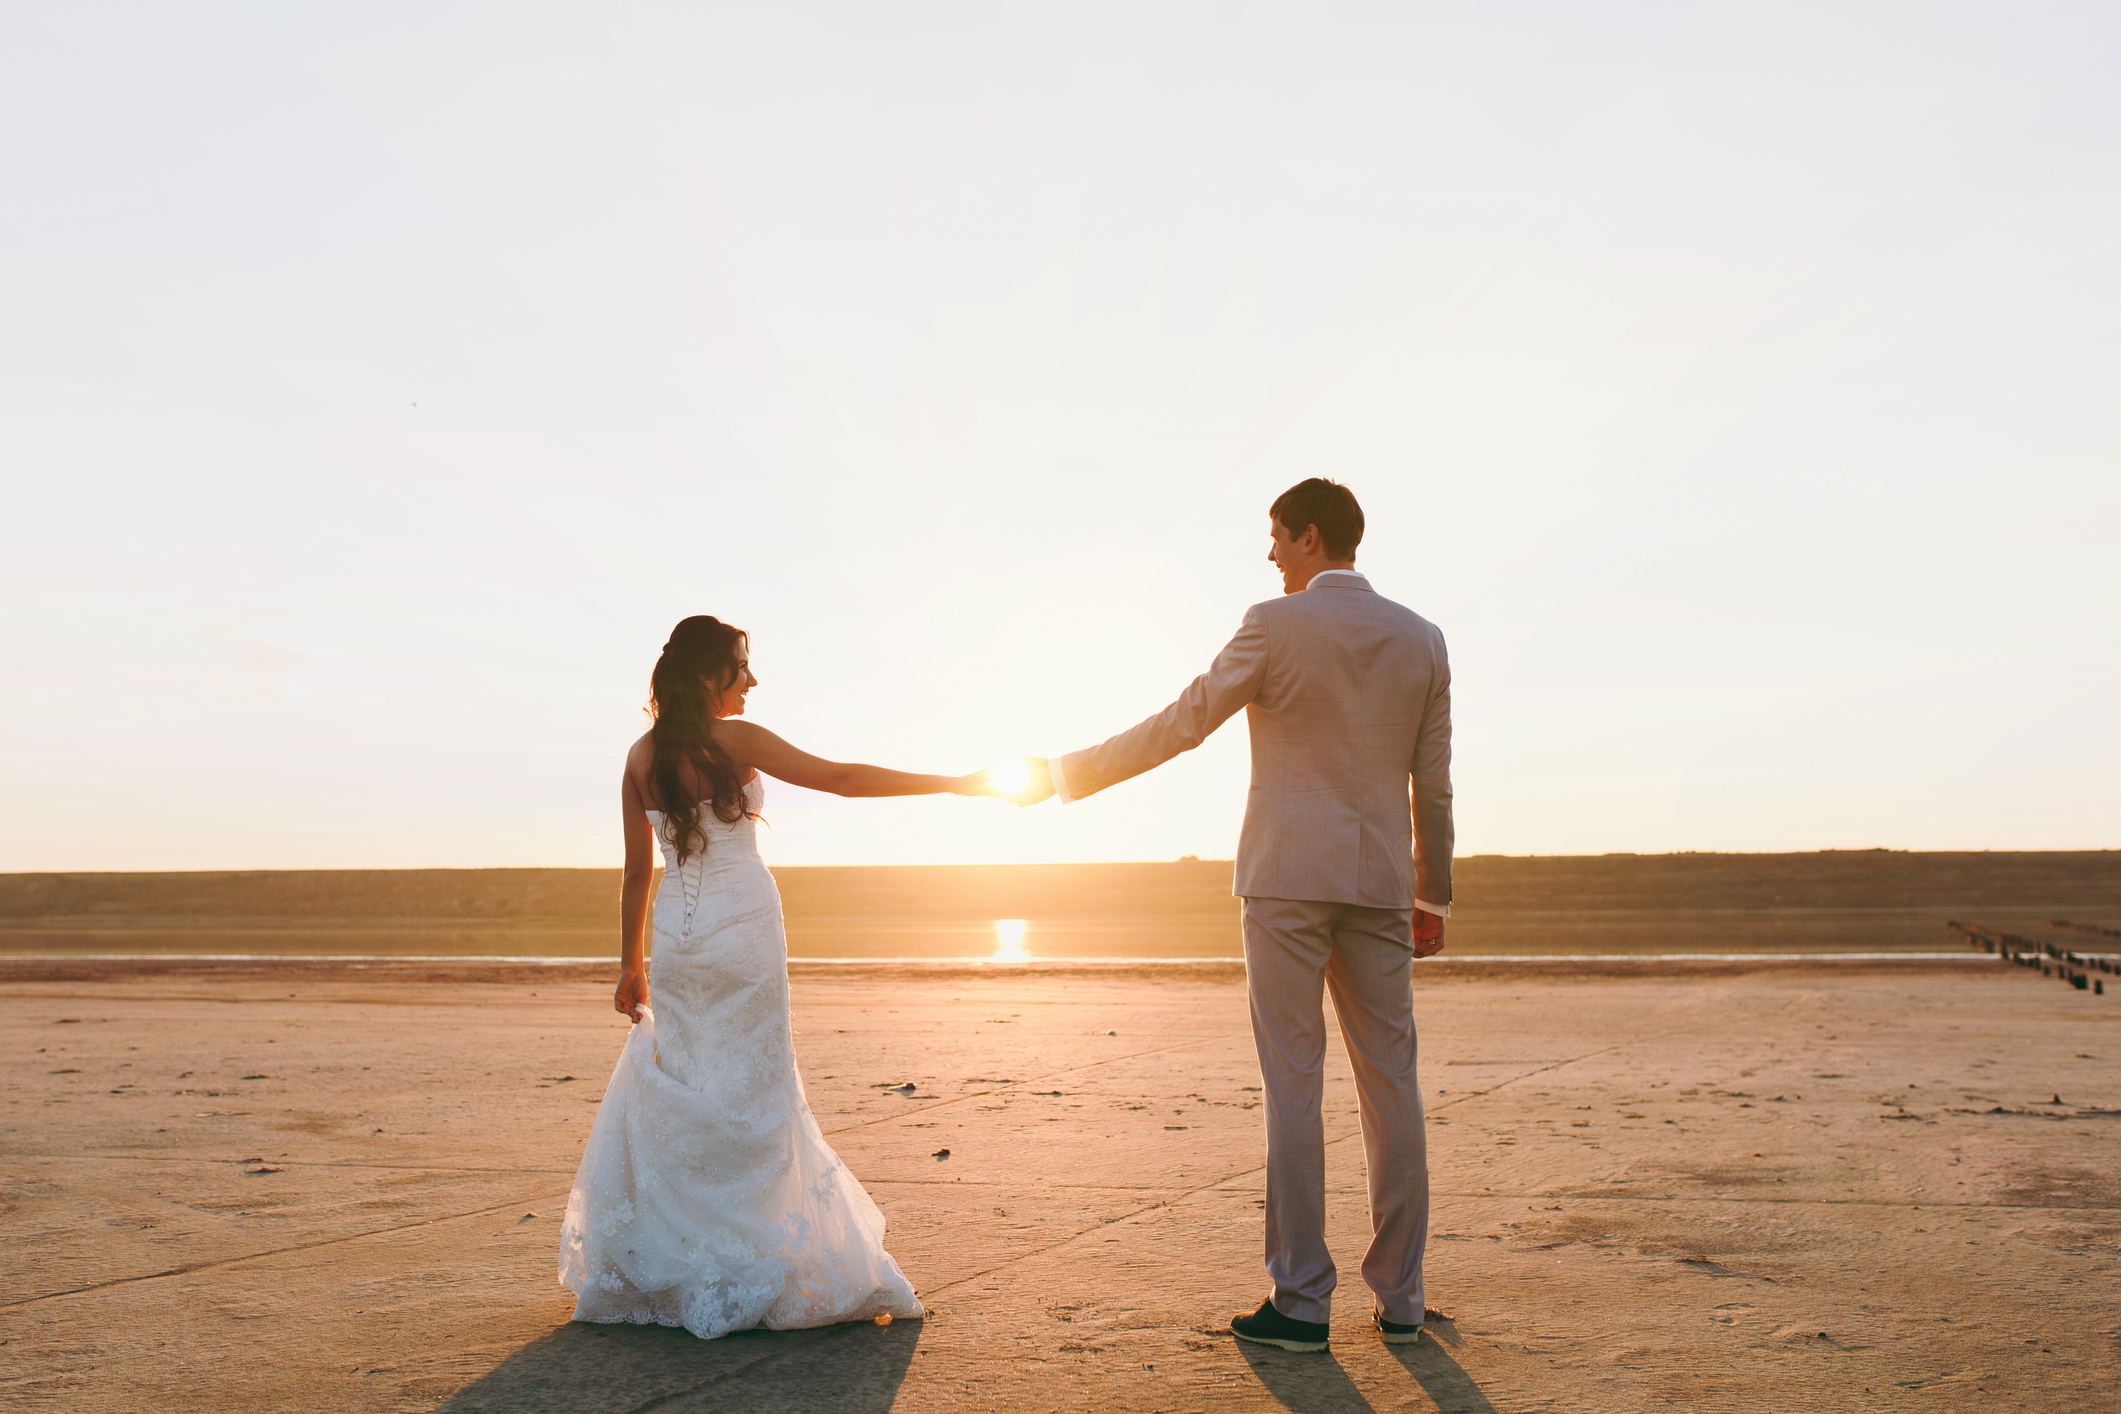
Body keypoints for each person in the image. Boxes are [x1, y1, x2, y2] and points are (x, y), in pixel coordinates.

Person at [1019, 478, 1453, 1351]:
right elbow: (1431, 781)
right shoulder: (1422, 638)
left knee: (1294, 1081)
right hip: (1378, 885)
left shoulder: (1272, 621)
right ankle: (1400, 1301)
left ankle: (1299, 1303)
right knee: (1391, 1083)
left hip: (1286, 880)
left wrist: (1066, 774)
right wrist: (1431, 891)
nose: (1269, 555)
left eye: (1276, 538)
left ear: (1309, 536)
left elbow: (1186, 722)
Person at [559, 614, 1003, 1339]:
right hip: (741, 927)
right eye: (742, 666)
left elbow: (638, 871)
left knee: (693, 1083)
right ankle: (752, 1254)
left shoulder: (640, 755)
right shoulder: (735, 741)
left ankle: (689, 1249)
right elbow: (842, 780)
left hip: (676, 935)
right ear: (708, 676)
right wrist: (954, 784)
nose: (752, 681)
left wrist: (629, 964)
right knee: (754, 1092)